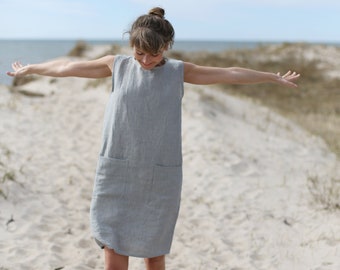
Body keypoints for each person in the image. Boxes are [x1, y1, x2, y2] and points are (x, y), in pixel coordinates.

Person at [7, 7, 300, 270]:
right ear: (131, 46)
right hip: (117, 171)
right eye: (139, 53)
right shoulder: (117, 66)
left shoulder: (178, 72)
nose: (146, 60)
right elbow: (67, 68)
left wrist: (272, 77)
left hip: (159, 175)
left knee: (154, 253)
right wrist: (32, 69)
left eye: (154, 53)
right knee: (113, 245)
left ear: (167, 47)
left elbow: (229, 73)